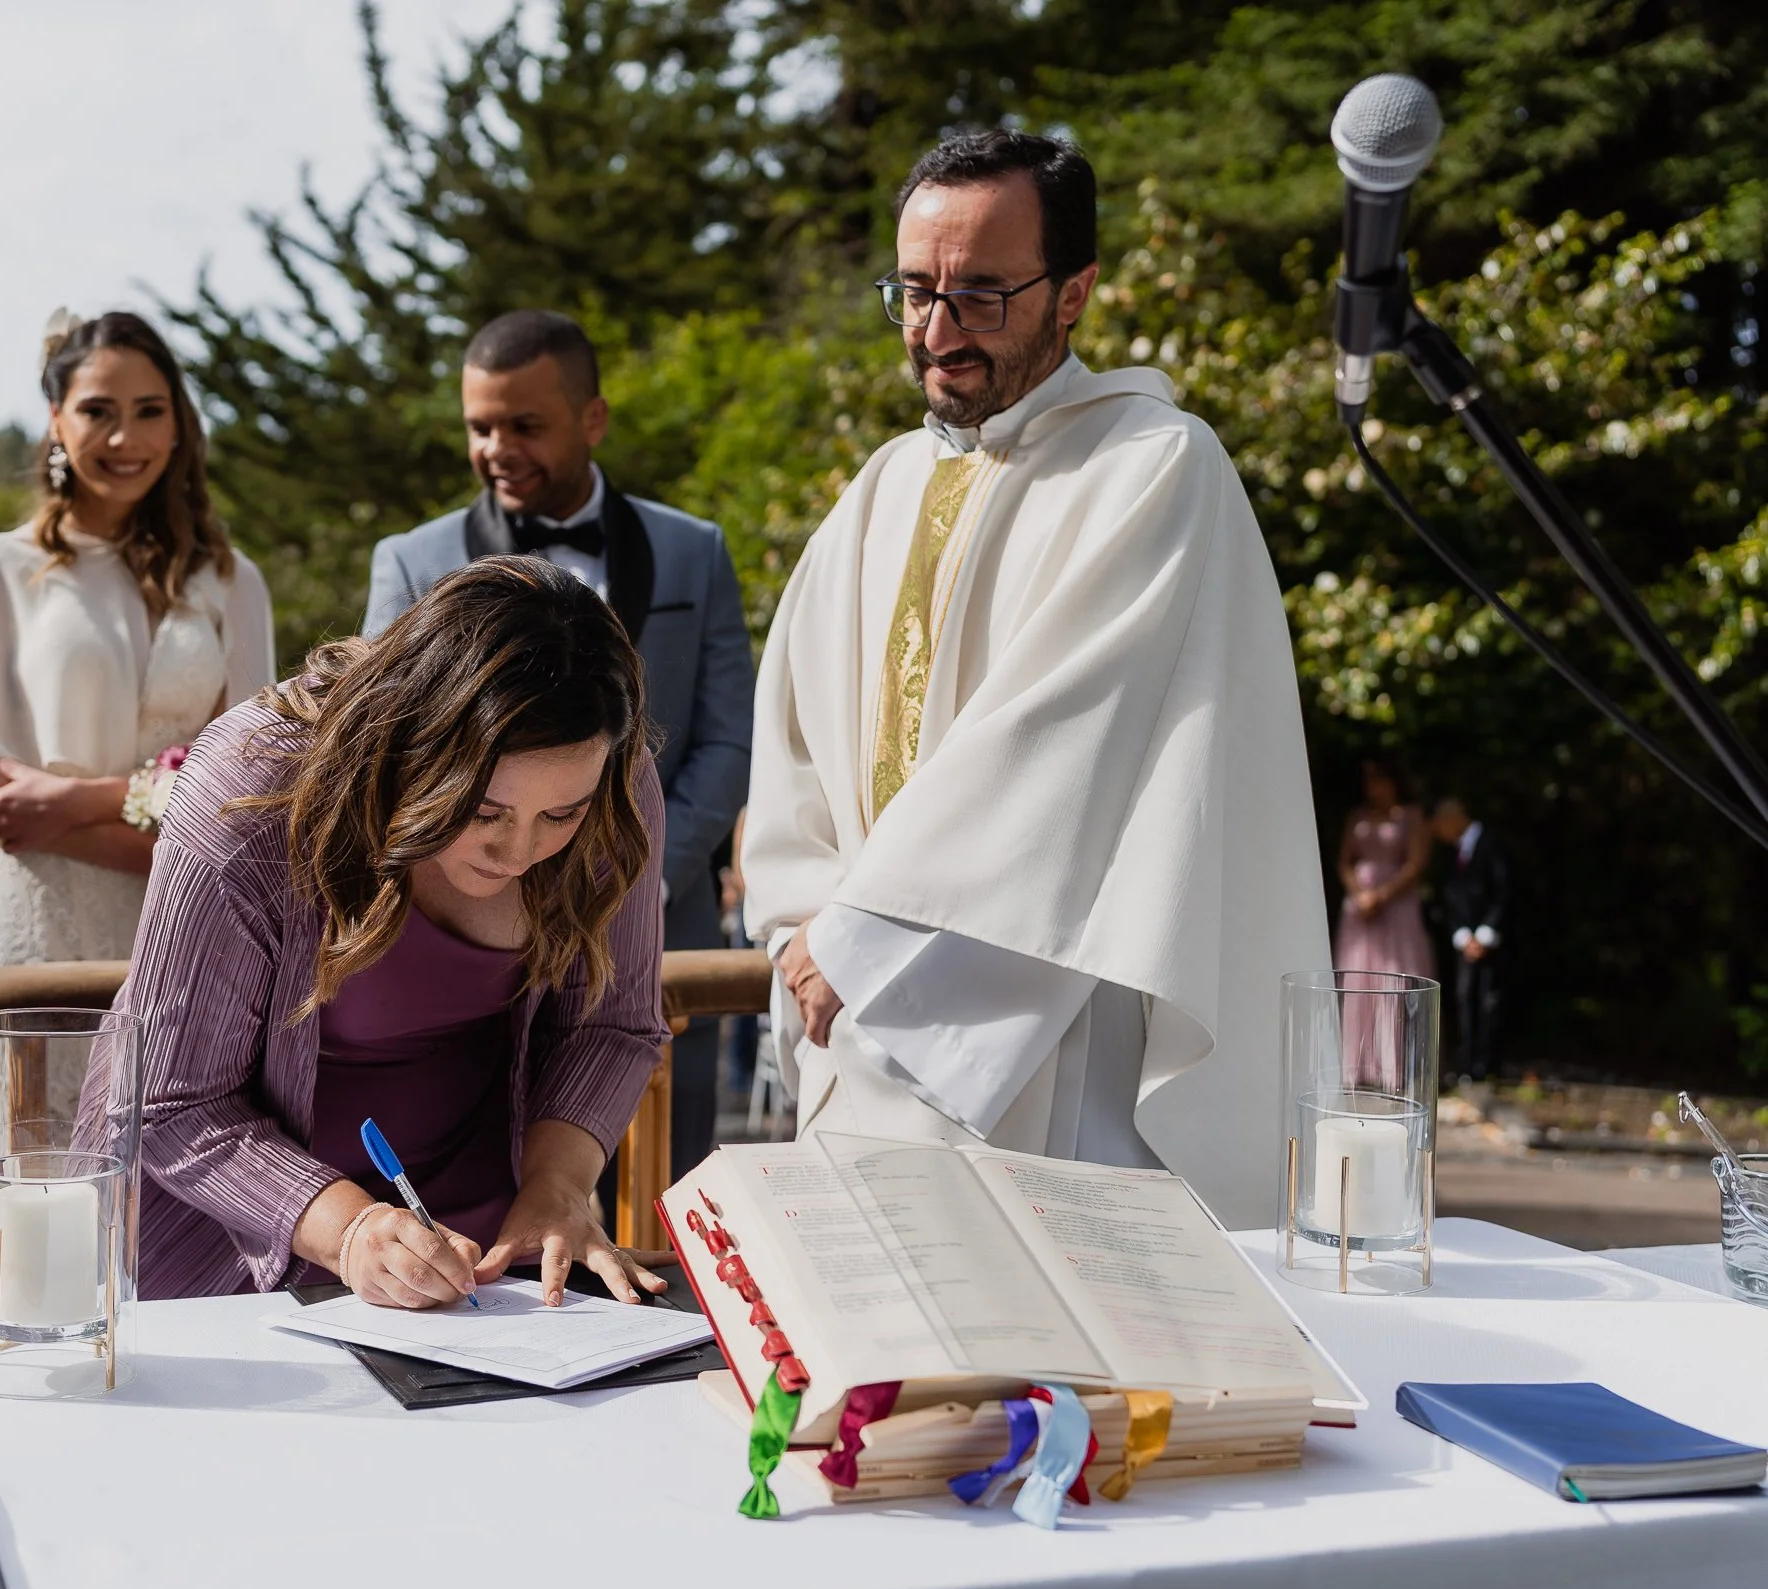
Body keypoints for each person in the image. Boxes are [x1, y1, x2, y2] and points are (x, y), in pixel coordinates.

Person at [739, 129, 1327, 1227]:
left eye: (981, 297)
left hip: (1039, 1021)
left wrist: (861, 939)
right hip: (848, 1017)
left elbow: (1064, 746)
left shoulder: (1153, 467)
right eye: (914, 294)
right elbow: (792, 745)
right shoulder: (878, 488)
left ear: (1074, 294)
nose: (937, 332)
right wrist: (799, 929)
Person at [95, 556, 670, 1307]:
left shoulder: (612, 787)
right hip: (233, 1234)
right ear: (412, 744)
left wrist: (557, 1187)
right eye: (485, 811)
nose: (520, 852)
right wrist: (350, 1230)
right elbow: (170, 1100)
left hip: (481, 1245)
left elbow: (611, 1023)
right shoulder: (253, 789)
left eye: (559, 816)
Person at [362, 309, 752, 1178]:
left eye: (525, 424)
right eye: (480, 426)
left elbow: (728, 742)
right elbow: (389, 761)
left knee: (667, 1193)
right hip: (465, 958)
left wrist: (629, 871)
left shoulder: (696, 551)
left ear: (593, 419)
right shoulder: (411, 561)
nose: (497, 446)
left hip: (662, 939)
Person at [0, 310, 275, 1025]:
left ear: (179, 425)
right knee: (32, 1134)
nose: (126, 438)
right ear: (56, 421)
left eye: (149, 411)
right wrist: (169, 828)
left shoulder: (232, 581)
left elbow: (250, 796)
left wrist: (73, 801)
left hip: (184, 933)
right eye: (98, 411)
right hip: (32, 925)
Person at [1429, 797, 1509, 1084]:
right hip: (1465, 940)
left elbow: (1504, 891)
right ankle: (1468, 1063)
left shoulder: (1492, 843)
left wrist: (1486, 933)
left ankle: (1487, 1065)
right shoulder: (1452, 854)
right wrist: (1462, 934)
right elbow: (1449, 897)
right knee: (1465, 998)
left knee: (1490, 999)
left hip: (1492, 940)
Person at [1333, 758, 1435, 979]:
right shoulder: (1358, 817)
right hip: (1360, 903)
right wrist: (1360, 895)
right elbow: (1345, 862)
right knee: (1359, 963)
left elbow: (1415, 864)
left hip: (1397, 902)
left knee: (1398, 964)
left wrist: (1380, 896)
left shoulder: (1411, 816)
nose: (1372, 786)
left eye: (1378, 779)